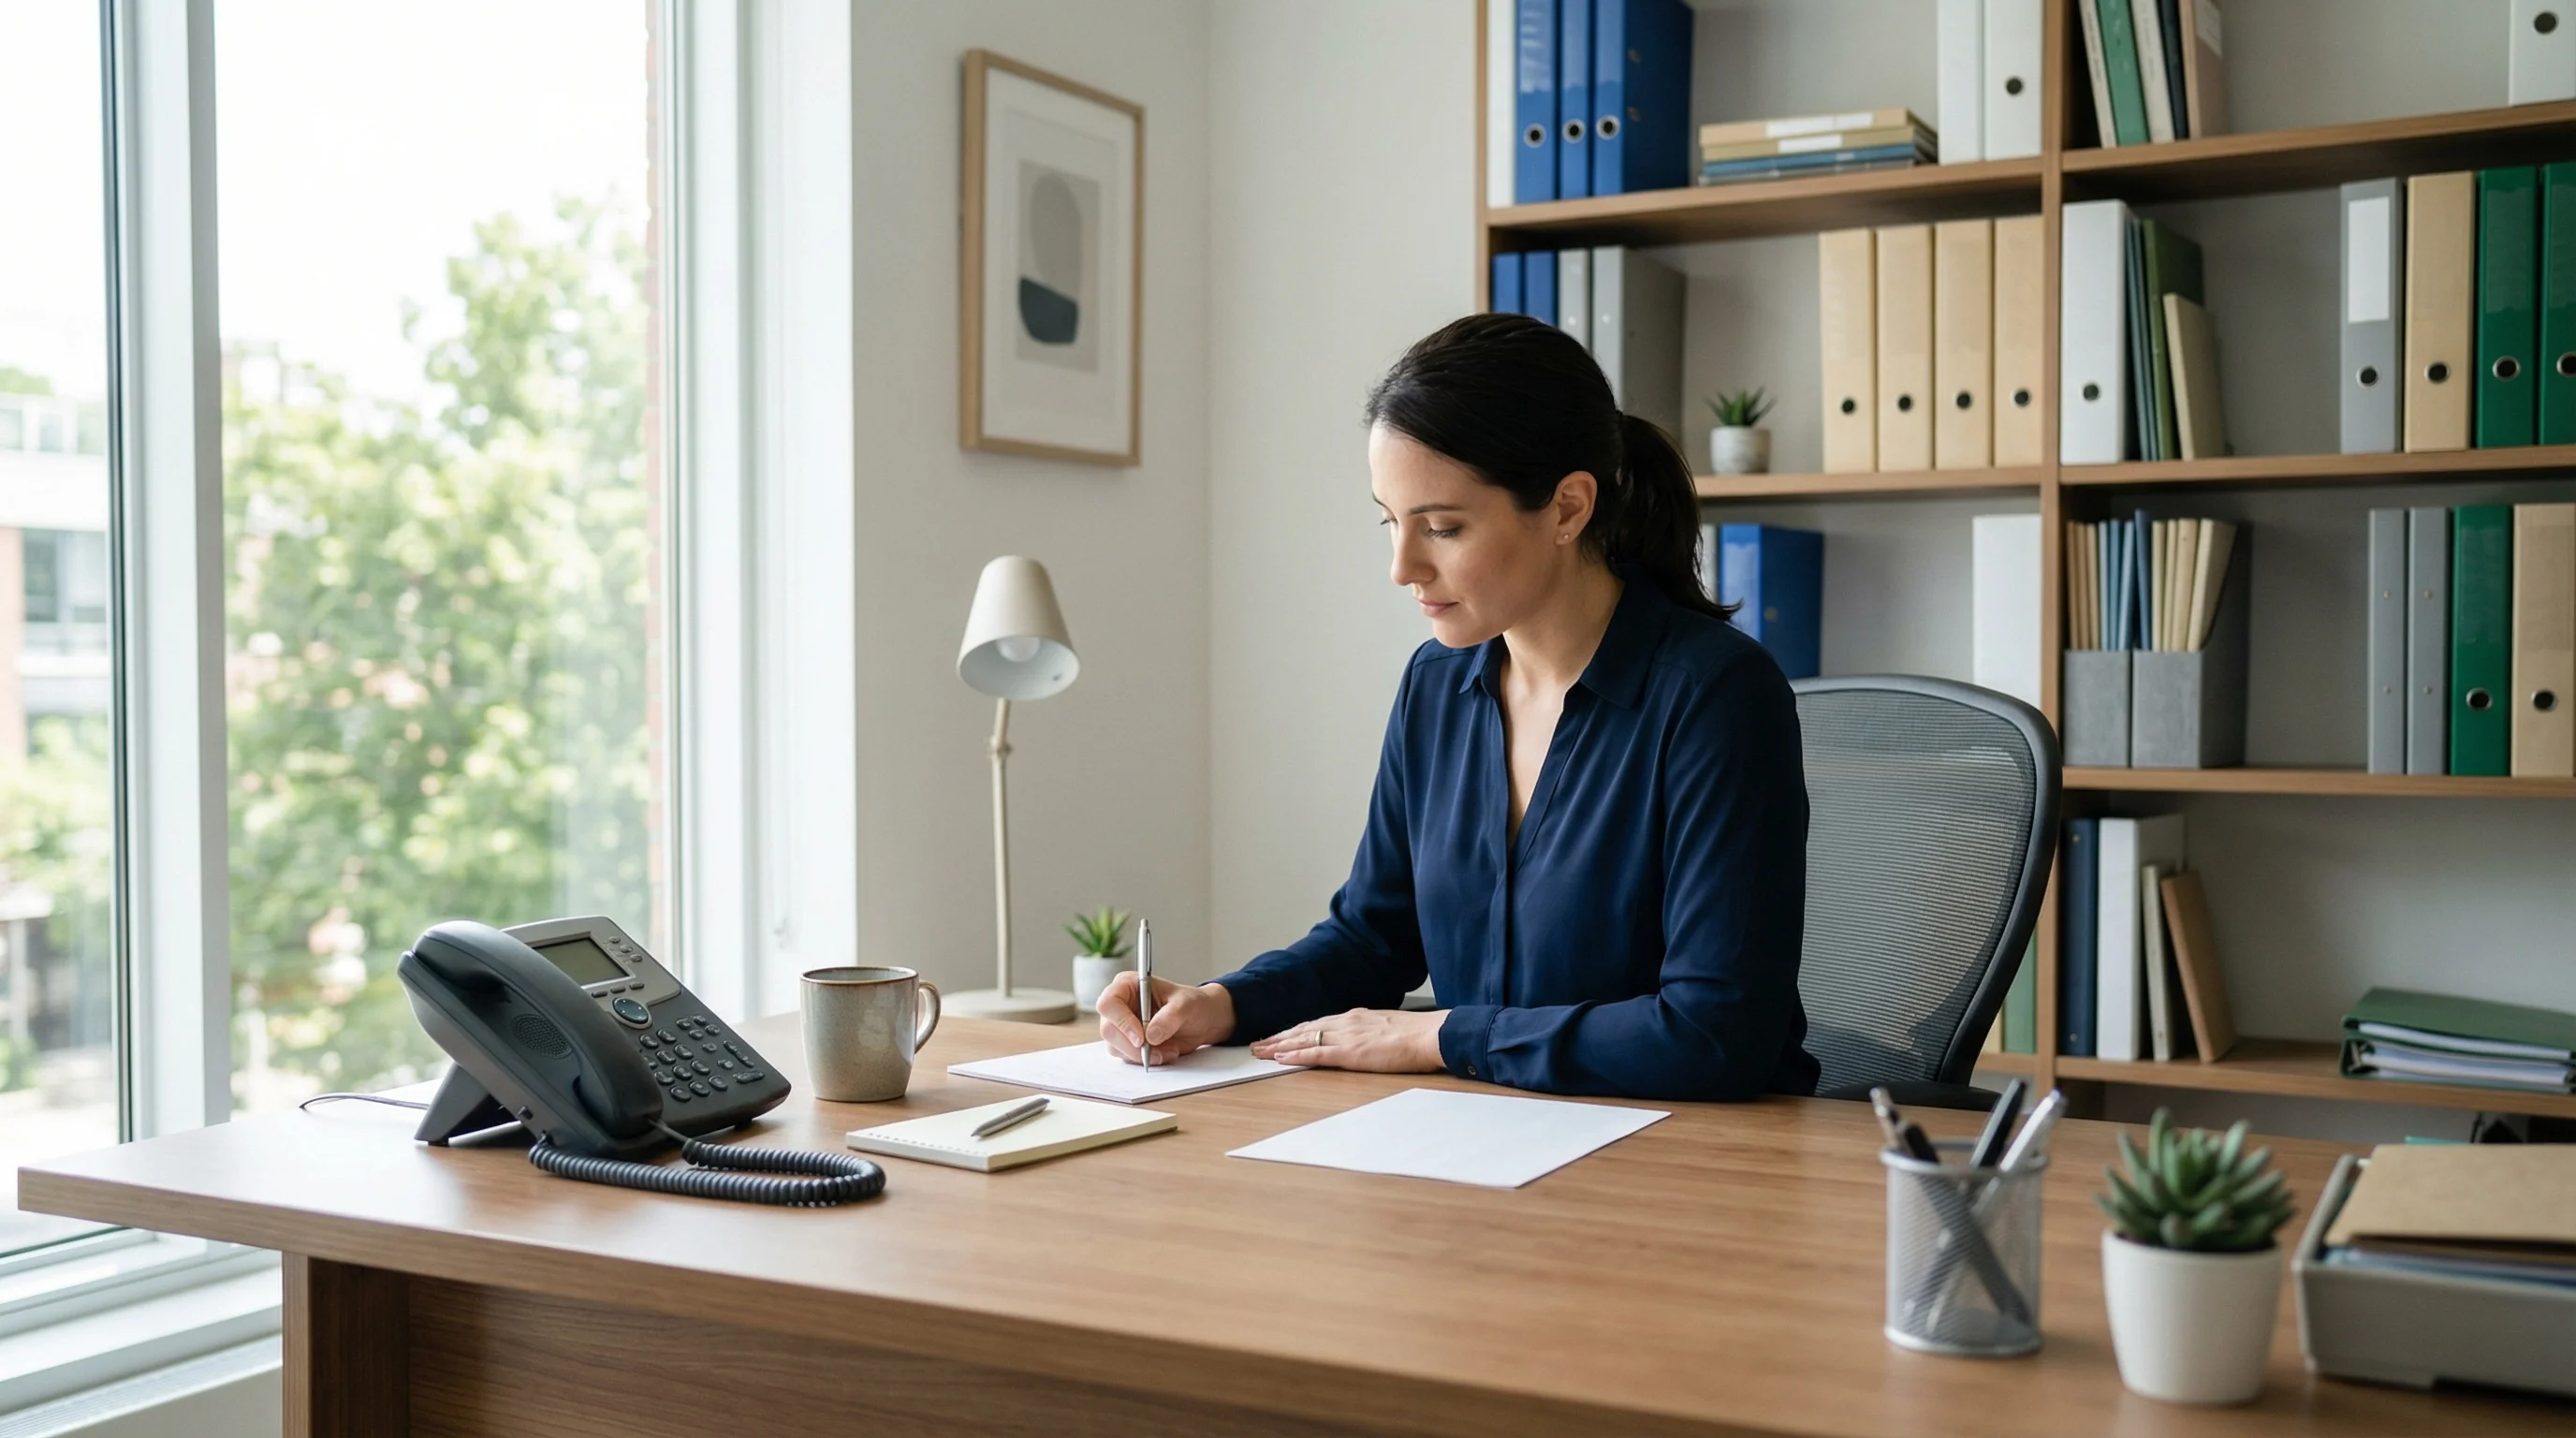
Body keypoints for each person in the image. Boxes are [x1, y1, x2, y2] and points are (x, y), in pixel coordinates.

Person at [1099, 313, 1818, 1101]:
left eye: (1441, 527)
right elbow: (1375, 937)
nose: (1402, 567)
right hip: (1483, 1139)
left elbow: (1716, 1033)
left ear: (1569, 508)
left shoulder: (1716, 695)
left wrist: (1440, 1035)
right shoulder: (1437, 687)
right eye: (1389, 522)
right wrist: (1222, 1003)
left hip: (1697, 1159)